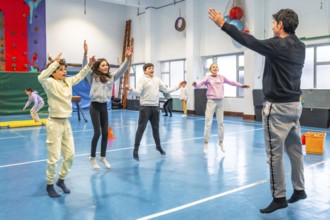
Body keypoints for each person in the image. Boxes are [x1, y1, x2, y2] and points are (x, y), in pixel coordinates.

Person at [208, 8, 307, 213]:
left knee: (274, 154)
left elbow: (251, 43)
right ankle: (299, 189)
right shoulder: (300, 46)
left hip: (277, 108)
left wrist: (223, 24)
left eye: (274, 23)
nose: (272, 26)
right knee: (295, 150)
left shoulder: (278, 45)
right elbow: (260, 44)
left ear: (280, 25)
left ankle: (279, 197)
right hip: (295, 106)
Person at [38, 52, 96, 198]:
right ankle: (49, 184)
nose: (64, 72)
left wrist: (89, 65)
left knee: (70, 155)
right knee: (54, 157)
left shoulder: (68, 82)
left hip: (66, 123)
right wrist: (54, 63)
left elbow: (80, 76)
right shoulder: (49, 83)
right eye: (61, 69)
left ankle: (61, 180)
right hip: (54, 124)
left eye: (65, 69)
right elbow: (41, 76)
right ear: (54, 72)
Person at [83, 41, 132, 169]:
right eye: (103, 65)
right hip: (94, 106)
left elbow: (122, 70)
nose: (106, 67)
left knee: (105, 133)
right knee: (97, 133)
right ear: (98, 67)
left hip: (104, 107)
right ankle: (92, 157)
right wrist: (85, 54)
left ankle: (103, 157)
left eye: (107, 65)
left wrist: (127, 58)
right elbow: (84, 68)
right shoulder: (92, 77)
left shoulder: (111, 77)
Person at [126, 63, 183, 161]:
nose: (151, 69)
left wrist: (178, 86)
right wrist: (131, 90)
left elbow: (166, 90)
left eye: (152, 68)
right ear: (145, 71)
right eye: (149, 68)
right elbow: (138, 92)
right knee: (141, 129)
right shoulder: (142, 79)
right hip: (145, 108)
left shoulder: (157, 79)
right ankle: (135, 149)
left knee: (156, 129)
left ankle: (158, 146)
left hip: (155, 108)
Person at [192, 63, 249, 154]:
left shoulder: (222, 77)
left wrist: (241, 85)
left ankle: (221, 142)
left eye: (216, 67)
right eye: (213, 67)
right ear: (210, 69)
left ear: (218, 69)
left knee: (221, 123)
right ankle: (206, 142)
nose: (215, 68)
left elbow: (231, 82)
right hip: (211, 101)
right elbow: (199, 84)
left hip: (220, 101)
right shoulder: (207, 77)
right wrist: (195, 85)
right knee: (208, 122)